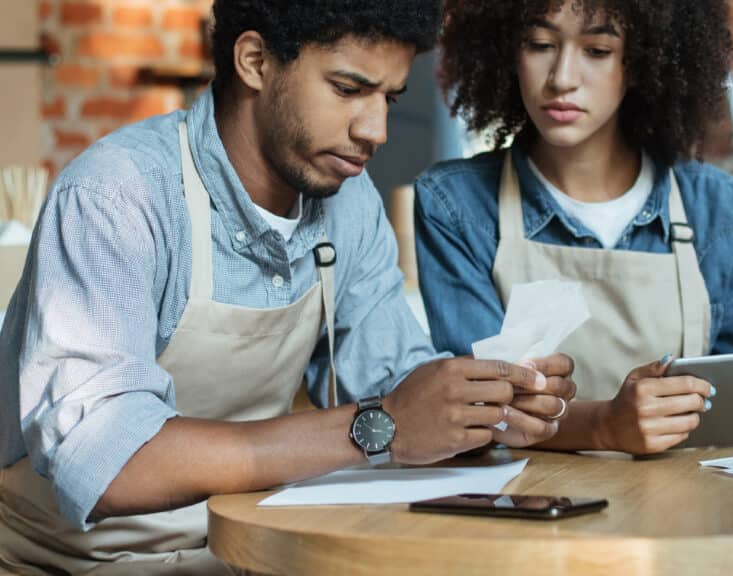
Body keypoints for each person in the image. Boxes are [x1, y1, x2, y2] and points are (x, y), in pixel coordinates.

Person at [0, 1, 574, 573]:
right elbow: (104, 462)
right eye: (349, 89)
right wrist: (382, 426)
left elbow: (394, 380)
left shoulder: (348, 202)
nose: (375, 131)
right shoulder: (117, 198)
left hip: (242, 554)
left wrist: (479, 406)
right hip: (66, 564)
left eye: (389, 98)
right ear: (254, 61)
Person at [414, 0, 733, 456]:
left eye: (598, 51)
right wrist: (604, 425)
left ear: (642, 61)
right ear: (505, 49)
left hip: (684, 519)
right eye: (540, 44)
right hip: (535, 518)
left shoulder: (723, 212)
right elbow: (480, 411)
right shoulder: (456, 206)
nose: (562, 78)